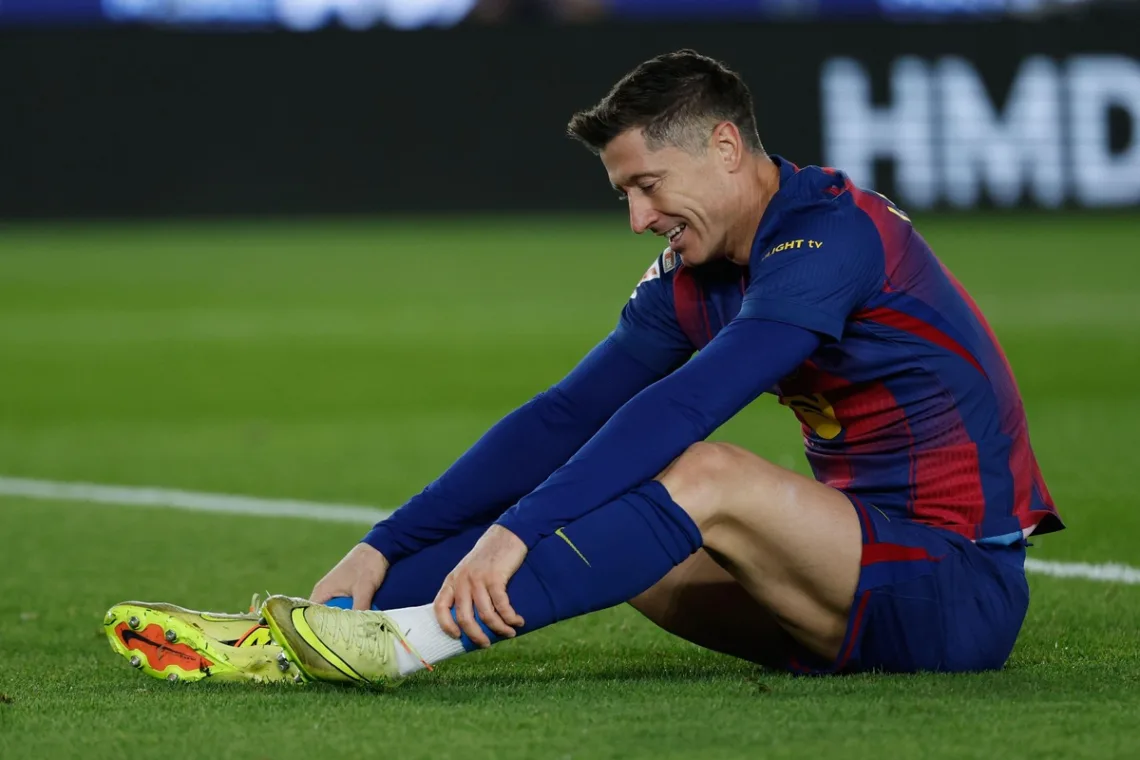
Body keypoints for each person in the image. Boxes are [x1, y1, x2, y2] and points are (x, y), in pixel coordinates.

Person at [105, 49, 1062, 686]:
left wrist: (516, 531)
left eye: (647, 186)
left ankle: (404, 649)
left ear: (726, 147)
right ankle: (296, 635)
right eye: (623, 196)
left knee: (701, 472)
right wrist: (382, 549)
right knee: (595, 500)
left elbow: (693, 402)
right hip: (840, 592)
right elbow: (563, 418)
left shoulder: (829, 236)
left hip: (955, 590)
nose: (638, 219)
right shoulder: (695, 271)